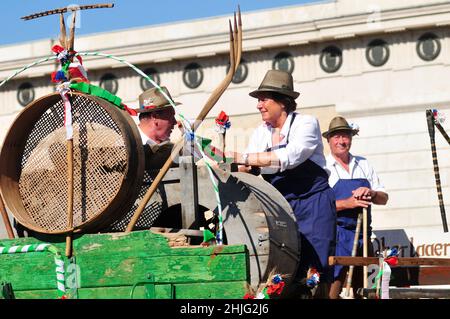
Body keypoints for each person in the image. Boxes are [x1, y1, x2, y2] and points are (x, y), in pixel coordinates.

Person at [225, 69, 336, 298]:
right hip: (281, 207)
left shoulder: (306, 124)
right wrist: (221, 162)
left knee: (314, 273)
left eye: (264, 99)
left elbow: (290, 156)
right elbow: (249, 165)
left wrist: (242, 158)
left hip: (313, 205)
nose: (259, 105)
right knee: (283, 271)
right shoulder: (260, 133)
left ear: (282, 102)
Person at [323, 116, 389, 299]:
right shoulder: (323, 167)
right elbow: (320, 207)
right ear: (328, 140)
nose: (342, 141)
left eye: (345, 136)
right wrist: (347, 203)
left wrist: (372, 193)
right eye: (336, 137)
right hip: (338, 234)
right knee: (334, 287)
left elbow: (384, 198)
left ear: (351, 139)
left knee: (363, 289)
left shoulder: (364, 164)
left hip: (363, 235)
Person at [133, 86, 179, 169]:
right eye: (171, 116)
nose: (175, 122)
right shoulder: (128, 143)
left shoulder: (169, 149)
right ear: (154, 117)